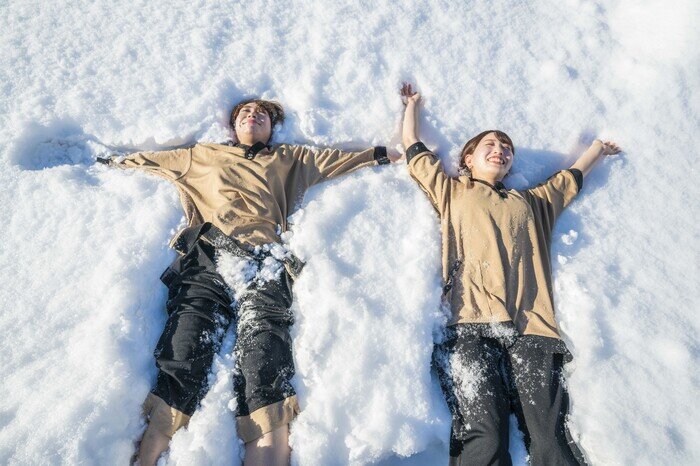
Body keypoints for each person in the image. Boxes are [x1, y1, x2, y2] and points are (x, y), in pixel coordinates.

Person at [99, 98, 395, 465]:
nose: (253, 117)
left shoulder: (289, 158)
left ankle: (267, 454)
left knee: (265, 355)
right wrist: (107, 160)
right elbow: (152, 162)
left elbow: (334, 160)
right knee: (186, 348)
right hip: (210, 258)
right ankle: (147, 457)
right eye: (244, 113)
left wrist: (382, 154)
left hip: (265, 263)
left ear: (272, 127)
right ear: (232, 125)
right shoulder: (202, 155)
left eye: (262, 114)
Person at [399, 83, 620, 466]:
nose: (500, 150)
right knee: (484, 433)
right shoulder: (451, 192)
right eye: (491, 144)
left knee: (549, 434)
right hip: (469, 324)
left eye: (507, 147)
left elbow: (570, 180)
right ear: (467, 159)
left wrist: (598, 149)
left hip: (531, 328)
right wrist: (413, 106)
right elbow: (413, 150)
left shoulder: (532, 203)